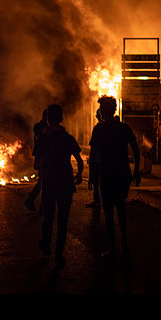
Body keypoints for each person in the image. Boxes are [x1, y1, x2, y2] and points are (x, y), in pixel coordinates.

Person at [89, 96, 140, 259]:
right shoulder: (124, 128)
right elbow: (136, 149)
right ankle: (124, 242)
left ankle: (112, 247)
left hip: (107, 174)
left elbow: (94, 153)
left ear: (102, 112)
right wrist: (137, 170)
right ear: (115, 110)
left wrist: (91, 176)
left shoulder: (99, 129)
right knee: (121, 208)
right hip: (123, 173)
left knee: (109, 213)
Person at [32, 104, 83, 267]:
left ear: (47, 119)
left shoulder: (43, 139)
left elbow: (36, 164)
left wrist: (44, 166)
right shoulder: (68, 138)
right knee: (63, 220)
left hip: (49, 182)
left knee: (48, 216)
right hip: (66, 183)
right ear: (61, 119)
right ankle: (59, 253)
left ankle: (46, 243)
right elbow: (80, 161)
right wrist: (79, 175)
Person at [24, 109, 47, 212]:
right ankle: (32, 200)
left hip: (45, 158)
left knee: (44, 182)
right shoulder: (39, 127)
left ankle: (39, 205)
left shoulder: (45, 127)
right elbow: (40, 140)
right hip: (42, 158)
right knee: (43, 182)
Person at [86, 108, 103, 209]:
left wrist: (91, 174)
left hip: (100, 162)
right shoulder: (121, 127)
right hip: (112, 163)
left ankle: (98, 201)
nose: (96, 117)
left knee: (97, 181)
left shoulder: (98, 128)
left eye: (97, 115)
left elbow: (93, 151)